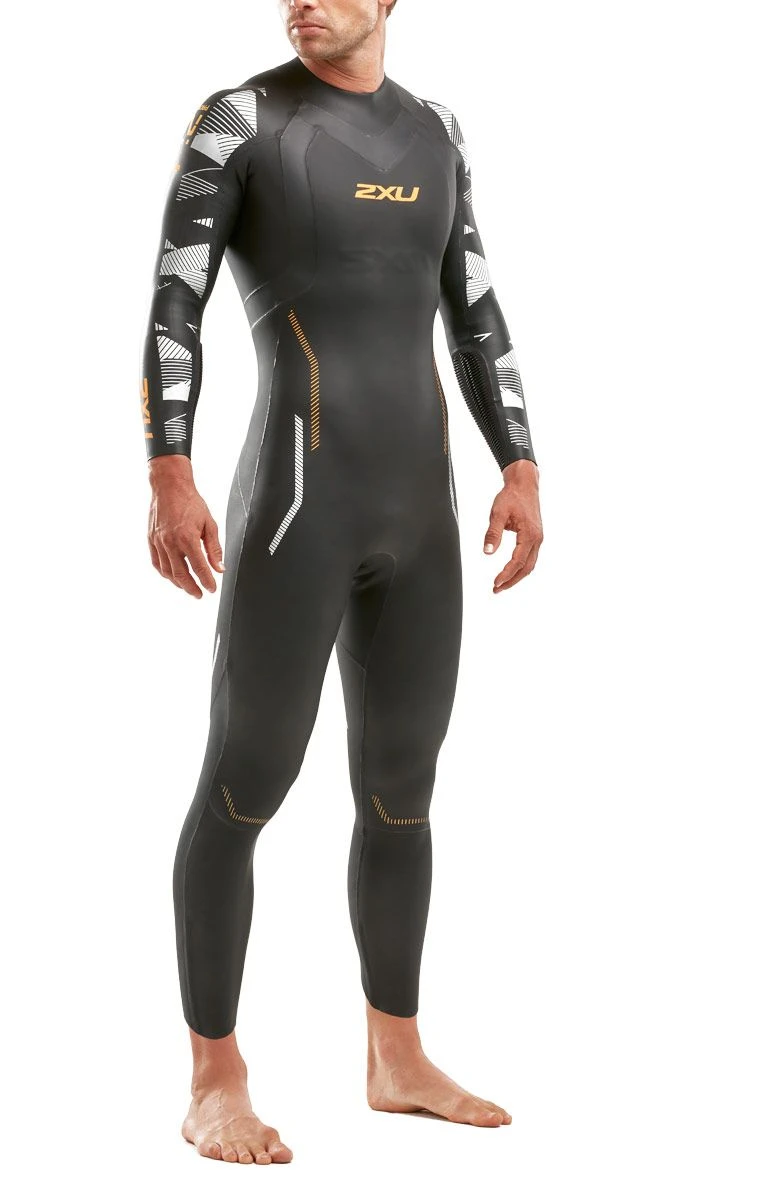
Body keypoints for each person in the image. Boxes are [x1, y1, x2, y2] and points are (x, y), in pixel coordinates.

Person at [138, 0, 543, 1165]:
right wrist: (168, 469)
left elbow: (474, 310)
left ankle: (394, 1055)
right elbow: (175, 302)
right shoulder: (239, 120)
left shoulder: (436, 131)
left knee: (402, 792)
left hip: (421, 515)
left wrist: (519, 465)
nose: (300, 0)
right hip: (294, 510)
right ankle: (214, 1077)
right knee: (244, 784)